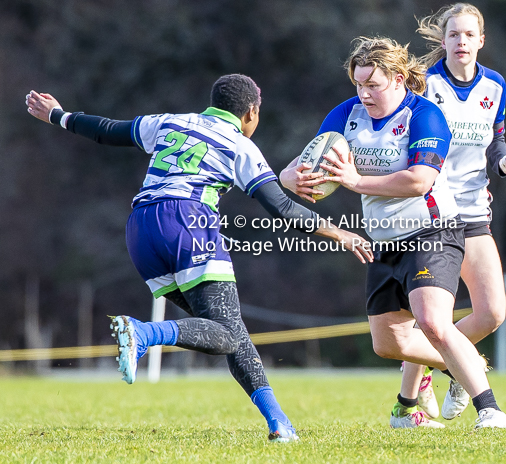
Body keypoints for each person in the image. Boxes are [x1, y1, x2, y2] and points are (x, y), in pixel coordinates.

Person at [25, 74, 373, 442]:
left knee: (229, 332)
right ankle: (143, 332)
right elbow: (283, 208)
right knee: (224, 333)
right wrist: (340, 233)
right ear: (251, 112)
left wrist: (57, 115)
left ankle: (279, 423)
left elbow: (107, 130)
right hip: (186, 223)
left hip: (141, 231)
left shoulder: (169, 122)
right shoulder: (240, 146)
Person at [280, 37, 506, 429]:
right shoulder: (346, 115)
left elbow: (420, 180)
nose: (364, 93)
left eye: (373, 84)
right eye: (358, 84)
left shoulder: (424, 115)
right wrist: (294, 179)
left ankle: (490, 410)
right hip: (385, 241)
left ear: (399, 78)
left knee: (432, 321)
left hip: (433, 231)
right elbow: (301, 163)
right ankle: (450, 375)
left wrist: (354, 181)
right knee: (389, 344)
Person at [394, 3, 506, 427]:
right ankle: (410, 403)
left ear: (481, 40)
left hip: (475, 211)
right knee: (433, 319)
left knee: (491, 313)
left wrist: (504, 163)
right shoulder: (425, 83)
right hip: (433, 213)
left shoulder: (496, 85)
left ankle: (444, 369)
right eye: (453, 35)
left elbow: (495, 141)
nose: (461, 41)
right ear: (443, 40)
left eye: (469, 35)